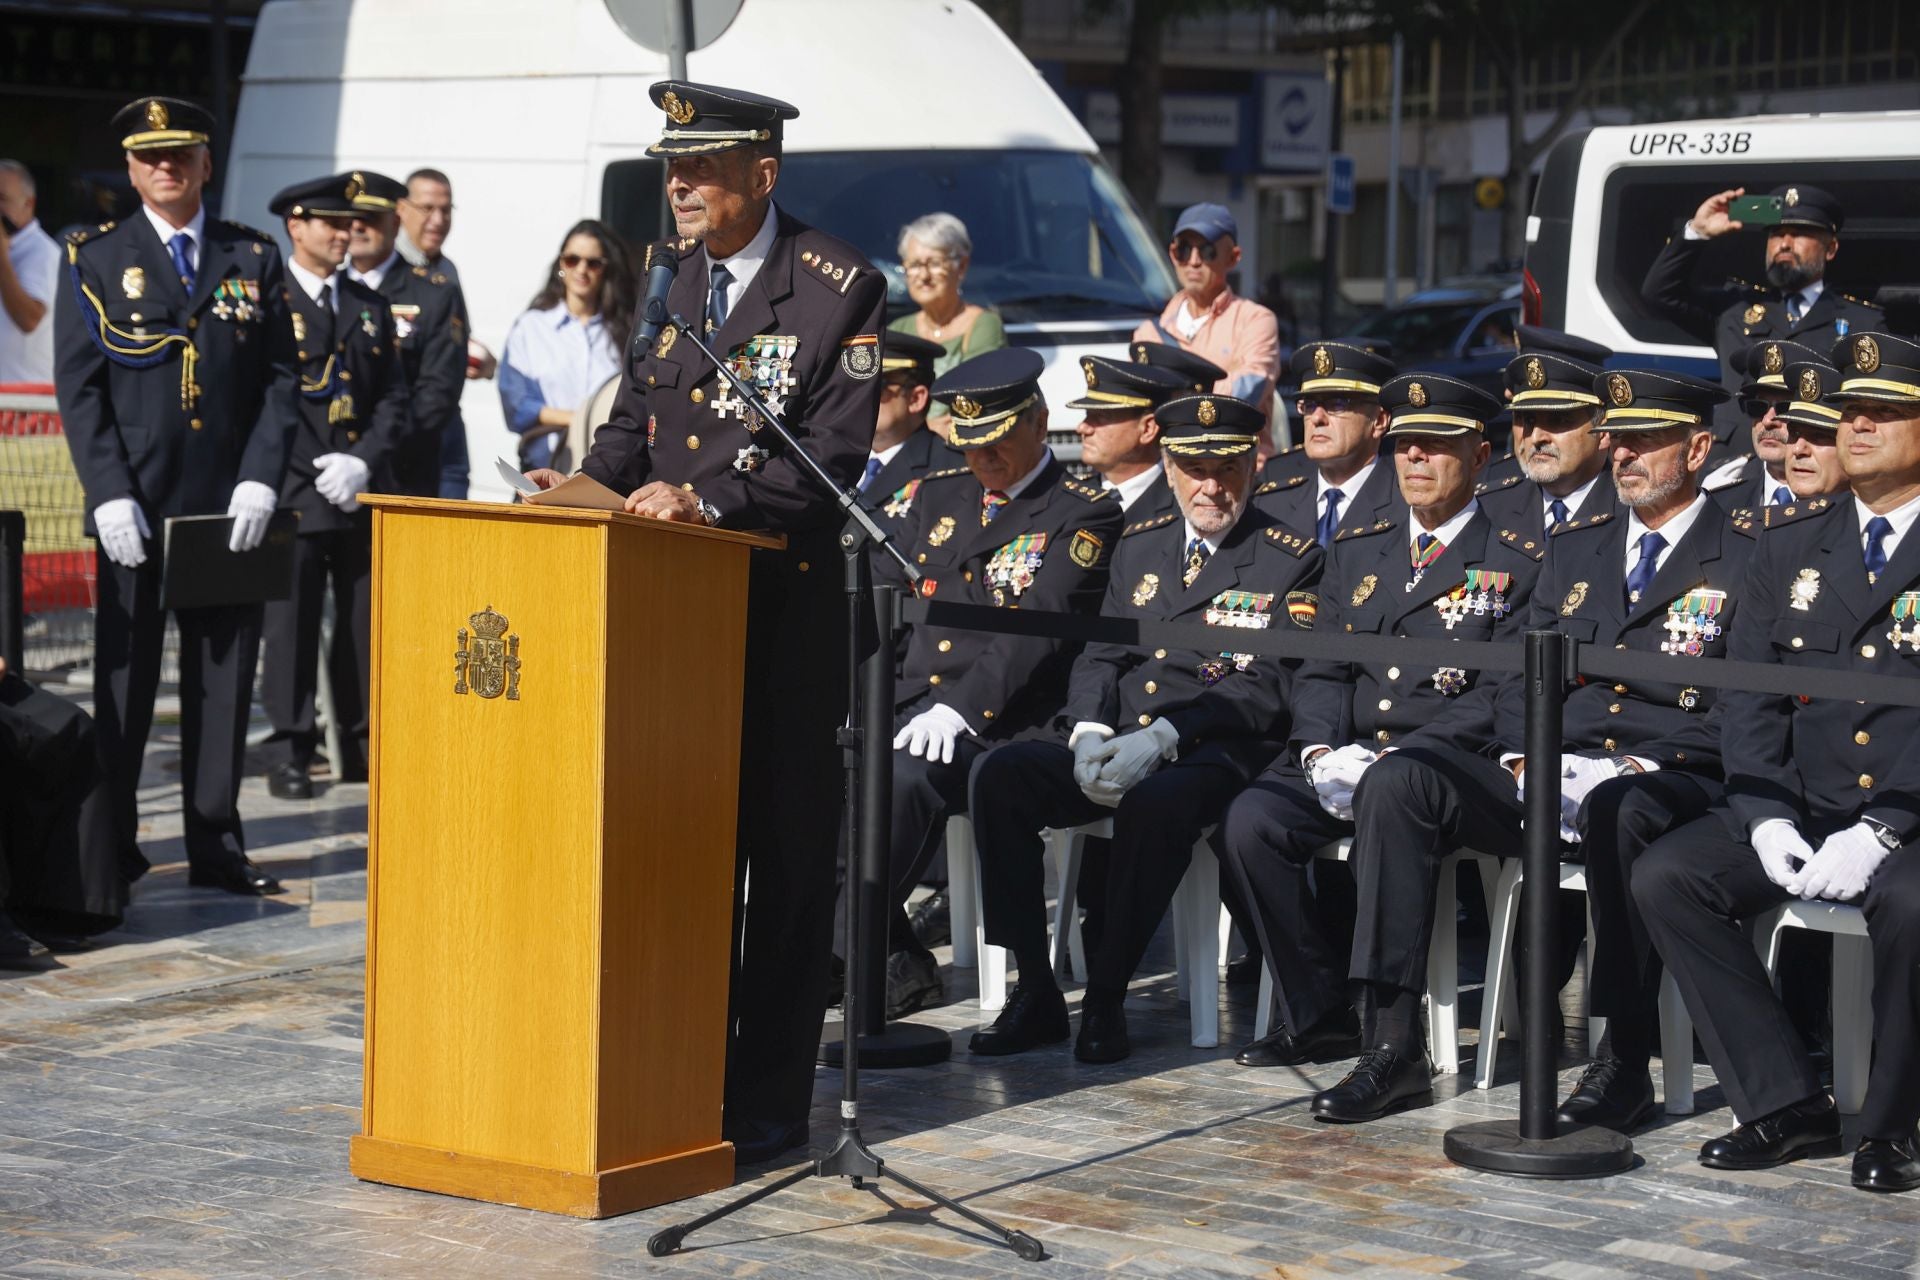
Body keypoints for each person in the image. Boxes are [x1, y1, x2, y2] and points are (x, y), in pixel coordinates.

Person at [532, 81, 886, 1166]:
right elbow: (637, 420)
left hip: (779, 625)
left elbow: (830, 460)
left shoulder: (837, 286)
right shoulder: (672, 274)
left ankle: (768, 1104)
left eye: (702, 168)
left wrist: (708, 500)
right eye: (673, 168)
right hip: (671, 630)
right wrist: (581, 490)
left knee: (784, 871)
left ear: (762, 175)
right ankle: (678, 1080)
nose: (679, 186)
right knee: (685, 858)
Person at [1633, 333, 1920, 1194]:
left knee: (1911, 904)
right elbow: (1748, 698)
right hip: (1808, 803)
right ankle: (1785, 1100)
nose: (1856, 426)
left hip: (1911, 814)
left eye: (1882, 412)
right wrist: (1764, 818)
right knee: (1670, 876)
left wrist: (1886, 825)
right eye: (1849, 411)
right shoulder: (1789, 541)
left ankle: (1893, 1123)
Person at [966, 393, 1322, 1063]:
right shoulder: (1143, 541)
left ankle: (1106, 994)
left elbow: (1270, 683)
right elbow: (1102, 651)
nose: (1211, 487)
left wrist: (1165, 736)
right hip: (1120, 735)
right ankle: (1036, 988)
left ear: (1253, 466)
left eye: (1227, 468)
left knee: (1155, 806)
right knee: (1001, 773)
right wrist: (1087, 729)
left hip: (1214, 747)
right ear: (1170, 466)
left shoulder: (1290, 557)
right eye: (1194, 469)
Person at [1218, 374, 1542, 1080]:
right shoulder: (1360, 550)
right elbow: (1323, 669)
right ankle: (1317, 1011)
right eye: (1405, 444)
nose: (1415, 457)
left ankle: (1393, 1043)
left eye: (1436, 445)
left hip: (1447, 766)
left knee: (1395, 789)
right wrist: (1318, 751)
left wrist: (1399, 756)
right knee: (1250, 821)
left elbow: (1502, 695)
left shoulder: (1517, 562)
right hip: (1351, 755)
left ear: (1481, 457)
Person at [1467, 370, 1755, 1134]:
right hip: (1558, 761)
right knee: (1409, 781)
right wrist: (1524, 756)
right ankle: (1389, 1037)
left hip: (1677, 772)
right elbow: (1521, 678)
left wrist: (1633, 765)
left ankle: (1622, 1056)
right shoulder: (1575, 549)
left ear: (1698, 450)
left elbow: (1742, 708)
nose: (1623, 454)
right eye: (1617, 439)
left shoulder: (1744, 555)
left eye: (1645, 440)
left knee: (1619, 808)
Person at [53, 96, 298, 897]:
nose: (167, 167)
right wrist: (107, 493)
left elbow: (281, 379)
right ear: (130, 169)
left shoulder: (251, 255)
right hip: (135, 507)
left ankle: (216, 844)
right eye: (150, 156)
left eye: (181, 153)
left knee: (223, 680)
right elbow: (80, 388)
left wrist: (262, 474)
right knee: (124, 685)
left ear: (205, 164)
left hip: (227, 506)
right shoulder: (94, 257)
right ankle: (114, 852)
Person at [843, 348, 1122, 1020]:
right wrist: (862, 700)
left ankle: (829, 952)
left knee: (904, 778)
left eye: (996, 442)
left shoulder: (1082, 512)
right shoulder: (941, 495)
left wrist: (958, 710)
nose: (982, 459)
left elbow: (1038, 628)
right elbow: (887, 600)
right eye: (969, 445)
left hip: (1004, 717)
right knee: (824, 762)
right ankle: (882, 954)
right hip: (914, 699)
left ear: (1039, 423)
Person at [259, 173, 409, 802]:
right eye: (331, 223)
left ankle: (360, 739)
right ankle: (290, 747)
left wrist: (362, 462)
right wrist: (312, 468)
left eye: (349, 224)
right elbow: (266, 400)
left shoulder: (367, 304)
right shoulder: (273, 299)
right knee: (290, 624)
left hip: (356, 488)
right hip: (295, 489)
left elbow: (393, 397)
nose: (345, 234)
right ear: (296, 226)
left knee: (361, 621)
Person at [1641, 183, 1880, 442]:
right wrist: (1698, 232)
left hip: (1812, 455)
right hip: (1737, 458)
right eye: (1776, 234)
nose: (1784, 244)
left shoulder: (1863, 322)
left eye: (1799, 234)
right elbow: (1659, 293)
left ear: (1830, 248)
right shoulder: (1734, 308)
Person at [344, 170, 466, 497]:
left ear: (394, 222)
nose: (357, 227)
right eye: (351, 218)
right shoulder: (332, 290)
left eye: (370, 218)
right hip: (334, 469)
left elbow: (437, 393)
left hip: (401, 472)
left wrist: (368, 454)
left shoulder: (435, 292)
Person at [1133, 202, 1281, 440]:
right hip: (1168, 457)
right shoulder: (1148, 332)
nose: (1193, 261)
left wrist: (1172, 394)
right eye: (1183, 250)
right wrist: (1221, 380)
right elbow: (1138, 405)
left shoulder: (1255, 320)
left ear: (1233, 258)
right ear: (1172, 254)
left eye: (1207, 251)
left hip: (1236, 457)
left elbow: (1245, 395)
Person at [498, 219, 632, 471]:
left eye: (593, 263)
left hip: (608, 470)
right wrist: (580, 420)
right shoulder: (531, 327)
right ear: (561, 264)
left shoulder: (624, 333)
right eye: (572, 260)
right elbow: (517, 405)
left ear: (606, 270)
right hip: (548, 466)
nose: (582, 269)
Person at [1474, 327, 1615, 542]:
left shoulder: (1633, 513)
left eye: (1558, 420)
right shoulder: (1489, 506)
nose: (1537, 438)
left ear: (1603, 432)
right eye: (1527, 420)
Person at [396, 167, 486, 497]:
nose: (438, 220)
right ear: (401, 209)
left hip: (448, 423)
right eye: (427, 208)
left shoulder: (447, 271)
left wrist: (477, 358)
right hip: (407, 422)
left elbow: (450, 340)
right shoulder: (388, 269)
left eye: (446, 210)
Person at [1253, 341, 1399, 544]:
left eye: (1337, 404)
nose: (1317, 418)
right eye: (1309, 405)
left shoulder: (1408, 503)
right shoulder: (1270, 503)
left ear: (1379, 420)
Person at [888, 212, 1005, 437]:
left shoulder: (983, 326)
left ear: (961, 266)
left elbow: (977, 401)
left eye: (934, 263)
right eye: (914, 265)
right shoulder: (898, 330)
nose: (924, 275)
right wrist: (930, 428)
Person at [1703, 339, 1832, 508]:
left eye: (1785, 409)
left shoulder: (1851, 499)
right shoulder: (1719, 486)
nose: (1767, 421)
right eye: (1758, 407)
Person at [862, 329, 960, 545]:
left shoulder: (949, 471)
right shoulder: (831, 457)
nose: (862, 398)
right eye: (857, 387)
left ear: (916, 399)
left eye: (878, 387)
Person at [1069, 354, 1187, 517]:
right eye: (1088, 415)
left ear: (1147, 429)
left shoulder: (1184, 506)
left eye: (1101, 417)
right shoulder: (1071, 500)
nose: (1082, 428)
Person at [0, 159, 58, 384]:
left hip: (25, 397)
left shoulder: (42, 253)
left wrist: (2, 259)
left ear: (28, 203)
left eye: (2, 198)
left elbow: (29, 320)